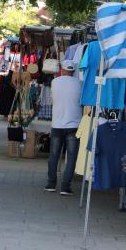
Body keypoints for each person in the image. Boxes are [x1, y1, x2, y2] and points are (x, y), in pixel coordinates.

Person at [45, 60, 82, 196]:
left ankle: (51, 183)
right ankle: (65, 186)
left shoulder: (55, 82)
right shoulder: (80, 83)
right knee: (71, 157)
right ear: (73, 70)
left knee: (54, 154)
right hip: (74, 124)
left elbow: (51, 100)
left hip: (57, 124)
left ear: (63, 69)